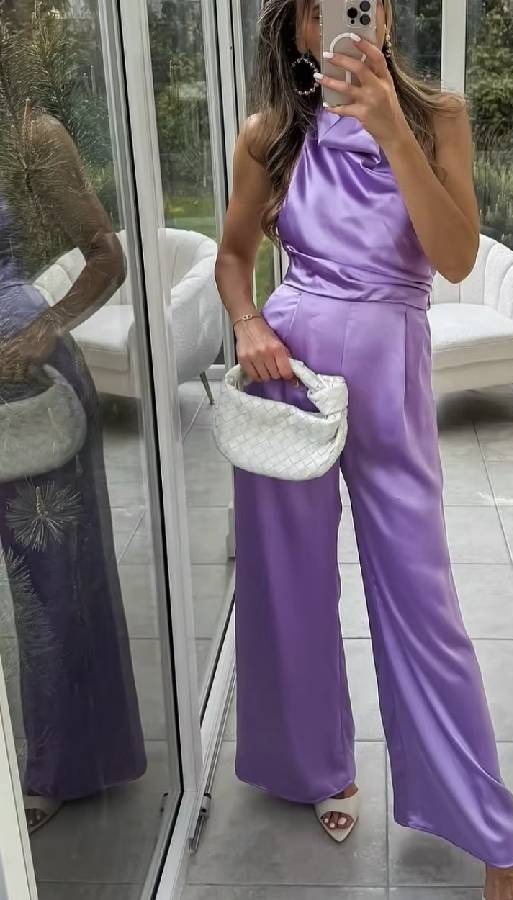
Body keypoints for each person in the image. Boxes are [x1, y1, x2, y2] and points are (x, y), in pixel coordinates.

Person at [215, 2, 513, 898]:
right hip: (288, 377)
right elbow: (233, 257)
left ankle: (487, 828)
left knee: (421, 598)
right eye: (318, 8)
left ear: (384, 19)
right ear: (302, 31)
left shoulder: (438, 119)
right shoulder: (271, 132)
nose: (343, 17)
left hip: (391, 375)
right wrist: (247, 322)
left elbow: (456, 258)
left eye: (361, 0)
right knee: (288, 585)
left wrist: (392, 128)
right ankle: (314, 769)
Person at [0, 24, 147, 833]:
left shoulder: (31, 137)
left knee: (51, 590)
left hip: (26, 390)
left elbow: (105, 255)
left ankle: (63, 763)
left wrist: (46, 327)